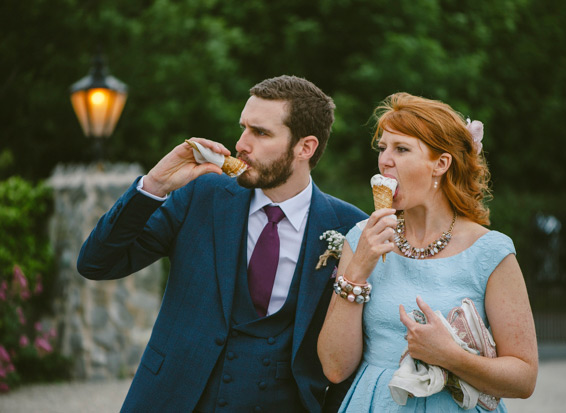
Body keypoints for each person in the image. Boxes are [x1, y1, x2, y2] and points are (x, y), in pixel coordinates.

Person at [77, 75, 367, 413]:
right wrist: (154, 184)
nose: (242, 143)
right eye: (244, 128)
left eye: (261, 133)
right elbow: (96, 263)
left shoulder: (350, 228)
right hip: (173, 400)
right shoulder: (202, 195)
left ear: (305, 147)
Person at [317, 93, 538, 412]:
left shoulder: (490, 252)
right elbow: (335, 367)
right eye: (383, 148)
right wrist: (358, 269)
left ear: (441, 164)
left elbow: (524, 378)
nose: (384, 160)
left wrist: (450, 357)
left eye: (402, 149)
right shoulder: (362, 238)